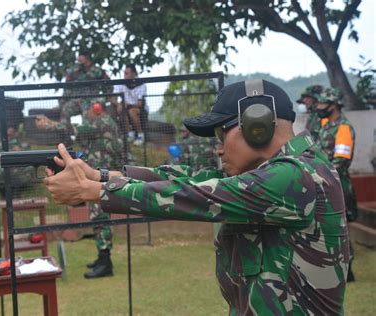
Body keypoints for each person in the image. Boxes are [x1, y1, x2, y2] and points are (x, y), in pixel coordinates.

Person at [43, 79, 350, 314]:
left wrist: (93, 191)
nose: (218, 148)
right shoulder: (291, 169)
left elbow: (196, 195)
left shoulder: (296, 176)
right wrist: (100, 175)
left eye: (221, 134)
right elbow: (190, 179)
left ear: (257, 126)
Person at [36, 102, 122, 279]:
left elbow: (75, 129)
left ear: (96, 110)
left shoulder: (102, 122)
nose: (85, 115)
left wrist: (49, 124)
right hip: (97, 175)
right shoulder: (101, 123)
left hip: (103, 177)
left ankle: (106, 264)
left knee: (100, 217)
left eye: (87, 112)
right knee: (97, 217)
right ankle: (102, 258)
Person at [315, 87, 358, 282]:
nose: (319, 107)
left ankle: (348, 269)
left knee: (342, 228)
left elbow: (341, 161)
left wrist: (320, 172)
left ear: (334, 106)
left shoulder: (343, 128)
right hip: (325, 183)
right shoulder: (325, 124)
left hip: (339, 184)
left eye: (323, 104)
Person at [60, 51, 111, 124]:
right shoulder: (74, 71)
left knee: (87, 114)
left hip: (92, 100)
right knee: (65, 110)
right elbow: (67, 87)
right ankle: (65, 132)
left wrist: (103, 99)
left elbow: (108, 86)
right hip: (77, 100)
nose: (78, 58)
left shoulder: (98, 71)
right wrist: (63, 101)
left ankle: (87, 133)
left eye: (81, 56)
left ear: (87, 58)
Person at [110, 64, 147, 146]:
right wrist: (119, 104)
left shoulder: (142, 85)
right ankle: (130, 134)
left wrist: (129, 104)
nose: (124, 76)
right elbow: (113, 99)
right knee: (121, 109)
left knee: (132, 111)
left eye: (127, 74)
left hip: (138, 108)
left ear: (134, 74)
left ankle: (141, 136)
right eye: (124, 73)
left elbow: (140, 104)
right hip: (125, 107)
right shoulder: (120, 83)